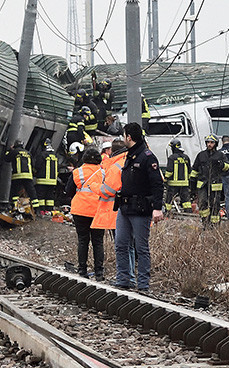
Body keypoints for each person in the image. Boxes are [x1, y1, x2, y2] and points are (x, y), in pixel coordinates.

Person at [113, 122, 163, 291]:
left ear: (129, 137)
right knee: (120, 244)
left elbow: (157, 184)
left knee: (141, 247)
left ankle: (143, 283)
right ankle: (123, 280)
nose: (123, 139)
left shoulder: (147, 156)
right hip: (125, 207)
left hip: (141, 209)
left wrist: (157, 208)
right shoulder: (130, 154)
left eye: (124, 135)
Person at [65, 147, 105, 281]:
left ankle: (82, 270)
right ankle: (99, 272)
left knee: (83, 240)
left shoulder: (77, 172)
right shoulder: (103, 173)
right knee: (98, 242)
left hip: (80, 210)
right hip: (98, 211)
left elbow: (69, 190)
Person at [190, 135, 229, 228]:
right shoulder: (201, 155)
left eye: (211, 142)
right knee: (203, 204)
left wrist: (221, 164)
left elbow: (227, 167)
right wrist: (192, 184)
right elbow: (194, 169)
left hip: (215, 184)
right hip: (203, 184)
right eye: (208, 142)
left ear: (216, 144)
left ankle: (215, 225)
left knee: (215, 205)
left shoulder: (220, 155)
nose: (209, 144)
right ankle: (205, 223)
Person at [4, 140, 39, 213]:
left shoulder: (15, 151)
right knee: (32, 193)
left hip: (17, 176)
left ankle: (15, 207)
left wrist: (9, 150)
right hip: (28, 176)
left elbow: (6, 158)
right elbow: (33, 165)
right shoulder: (28, 153)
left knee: (15, 193)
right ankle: (36, 210)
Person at [164, 139, 192, 215]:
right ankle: (189, 213)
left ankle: (167, 214)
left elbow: (169, 171)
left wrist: (165, 179)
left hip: (173, 184)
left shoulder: (172, 158)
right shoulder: (186, 157)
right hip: (184, 184)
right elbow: (190, 171)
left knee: (169, 200)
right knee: (186, 200)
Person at [34, 139, 58, 216]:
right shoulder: (55, 155)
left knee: (41, 195)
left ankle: (41, 210)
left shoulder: (42, 154)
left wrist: (34, 171)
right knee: (50, 196)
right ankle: (49, 210)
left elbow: (37, 166)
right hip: (53, 180)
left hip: (42, 179)